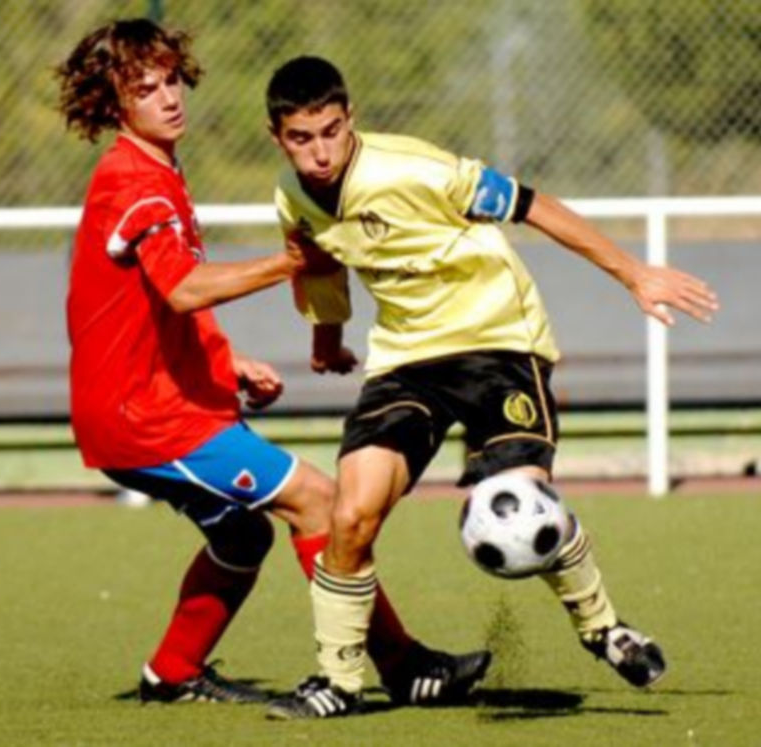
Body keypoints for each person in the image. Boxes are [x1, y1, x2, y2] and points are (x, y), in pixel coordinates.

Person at [264, 55, 720, 719]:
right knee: (351, 514)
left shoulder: (417, 169)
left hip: (498, 341)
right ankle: (337, 679)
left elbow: (532, 205)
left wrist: (633, 274)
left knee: (516, 500)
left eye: (331, 130)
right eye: (302, 139)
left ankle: (603, 627)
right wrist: (327, 346)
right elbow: (324, 271)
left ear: (350, 117)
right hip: (406, 359)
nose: (320, 151)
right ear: (278, 136)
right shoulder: (291, 195)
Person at [57, 21, 490, 708]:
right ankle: (400, 662)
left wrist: (225, 363)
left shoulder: (152, 171)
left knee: (242, 532)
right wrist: (292, 261)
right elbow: (183, 288)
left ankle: (171, 671)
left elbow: (146, 306)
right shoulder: (133, 180)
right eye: (146, 88)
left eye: (171, 79)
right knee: (318, 498)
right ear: (117, 106)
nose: (169, 97)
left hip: (145, 405)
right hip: (147, 418)